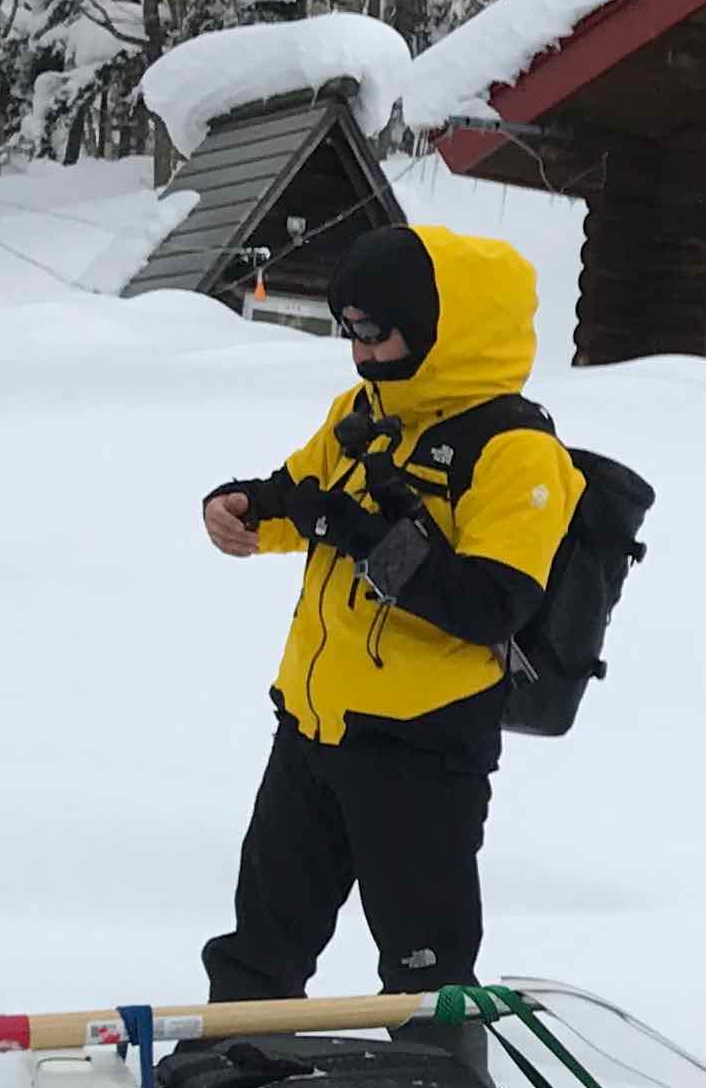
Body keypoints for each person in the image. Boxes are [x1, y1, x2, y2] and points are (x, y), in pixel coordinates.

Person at [197, 223, 580, 1026]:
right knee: (259, 944)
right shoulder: (364, 413)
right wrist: (240, 508)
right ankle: (231, 1076)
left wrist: (365, 536)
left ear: (444, 327)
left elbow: (491, 606)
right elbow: (298, 493)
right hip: (313, 725)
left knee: (424, 967)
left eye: (378, 333)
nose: (362, 355)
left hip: (421, 746)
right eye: (350, 334)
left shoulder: (515, 451)